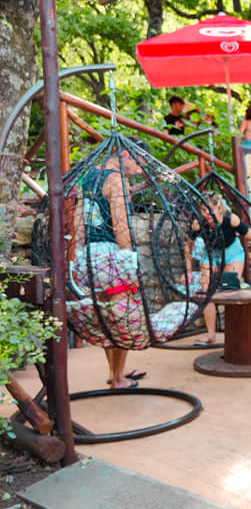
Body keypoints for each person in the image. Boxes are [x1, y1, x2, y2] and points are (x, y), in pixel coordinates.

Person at [72, 146, 146, 389]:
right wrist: (130, 265)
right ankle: (118, 378)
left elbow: (78, 222)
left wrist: (80, 257)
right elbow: (121, 229)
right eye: (139, 162)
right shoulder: (117, 180)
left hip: (91, 258)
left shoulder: (89, 177)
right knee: (122, 319)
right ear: (125, 155)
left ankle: (116, 374)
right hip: (112, 258)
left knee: (105, 320)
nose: (140, 168)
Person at [189, 193, 251, 345]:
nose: (208, 214)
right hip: (211, 255)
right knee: (207, 292)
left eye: (211, 209)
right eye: (204, 210)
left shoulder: (231, 219)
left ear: (219, 208)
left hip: (232, 252)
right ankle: (210, 335)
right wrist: (188, 271)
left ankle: (239, 332)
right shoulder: (198, 224)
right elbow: (187, 247)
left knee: (229, 288)